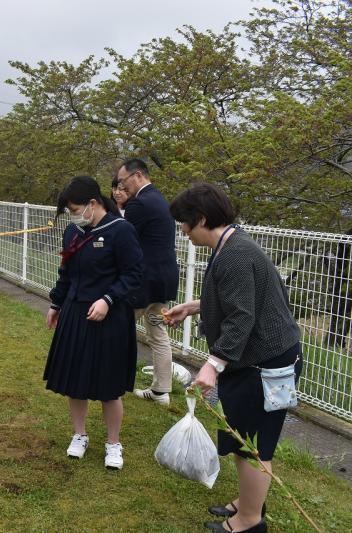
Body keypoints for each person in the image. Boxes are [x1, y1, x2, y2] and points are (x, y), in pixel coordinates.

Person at [165, 183, 302, 533]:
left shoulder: (236, 254)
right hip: (254, 360)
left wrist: (213, 364)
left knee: (253, 445)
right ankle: (249, 502)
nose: (183, 231)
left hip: (265, 364)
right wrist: (194, 307)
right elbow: (241, 298)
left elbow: (242, 317)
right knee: (241, 434)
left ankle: (249, 520)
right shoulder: (229, 245)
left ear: (201, 218)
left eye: (184, 223)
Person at [44, 176, 143, 469]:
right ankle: (80, 434)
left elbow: (134, 274)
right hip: (75, 313)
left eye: (76, 210)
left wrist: (108, 299)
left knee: (108, 385)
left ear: (92, 203)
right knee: (75, 381)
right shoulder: (73, 231)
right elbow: (66, 271)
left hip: (109, 317)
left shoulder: (121, 230)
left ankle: (113, 443)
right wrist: (56, 303)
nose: (74, 216)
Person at [117, 158, 179, 406]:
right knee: (158, 333)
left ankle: (114, 381)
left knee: (118, 327)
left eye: (123, 181)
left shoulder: (139, 203)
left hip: (142, 283)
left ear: (138, 175)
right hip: (164, 281)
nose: (122, 187)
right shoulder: (160, 199)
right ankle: (161, 391)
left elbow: (123, 240)